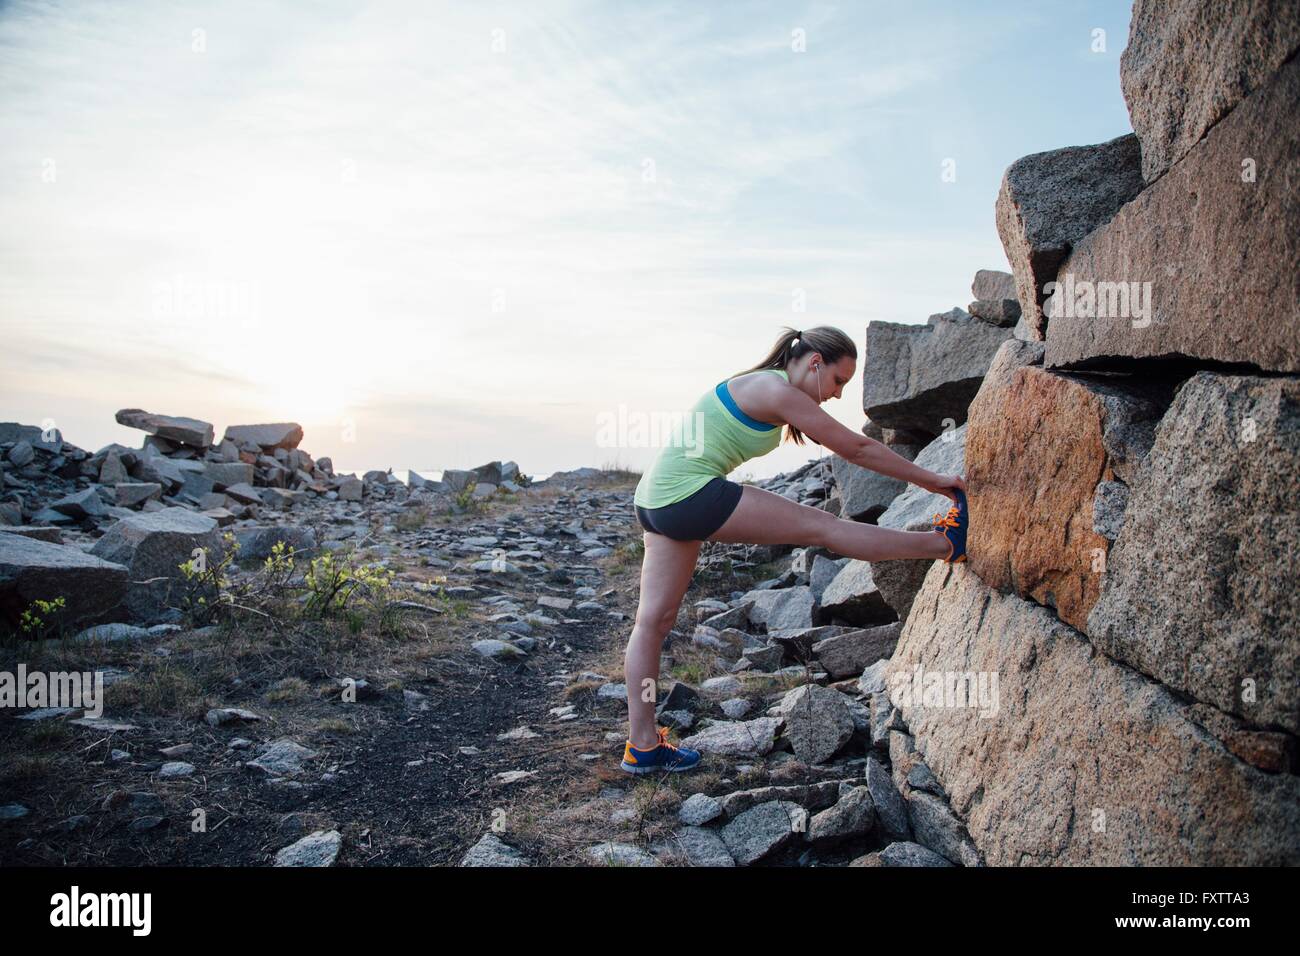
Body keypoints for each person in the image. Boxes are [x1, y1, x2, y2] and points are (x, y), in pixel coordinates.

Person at [619, 325, 968, 775]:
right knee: (824, 528)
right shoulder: (775, 389)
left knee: (652, 624)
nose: (838, 394)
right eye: (839, 381)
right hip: (687, 494)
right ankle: (946, 544)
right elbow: (857, 448)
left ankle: (641, 746)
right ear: (814, 362)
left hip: (655, 500)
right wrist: (936, 480)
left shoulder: (762, 383)